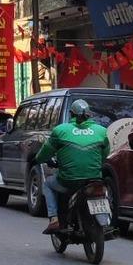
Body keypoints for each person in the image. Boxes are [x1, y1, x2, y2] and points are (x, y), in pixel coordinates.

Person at [33, 96, 111, 235]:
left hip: (68, 180)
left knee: (48, 184)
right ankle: (106, 221)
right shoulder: (101, 131)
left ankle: (54, 219)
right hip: (94, 179)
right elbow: (105, 154)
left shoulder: (60, 130)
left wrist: (39, 159)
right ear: (89, 115)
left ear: (71, 114)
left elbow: (44, 153)